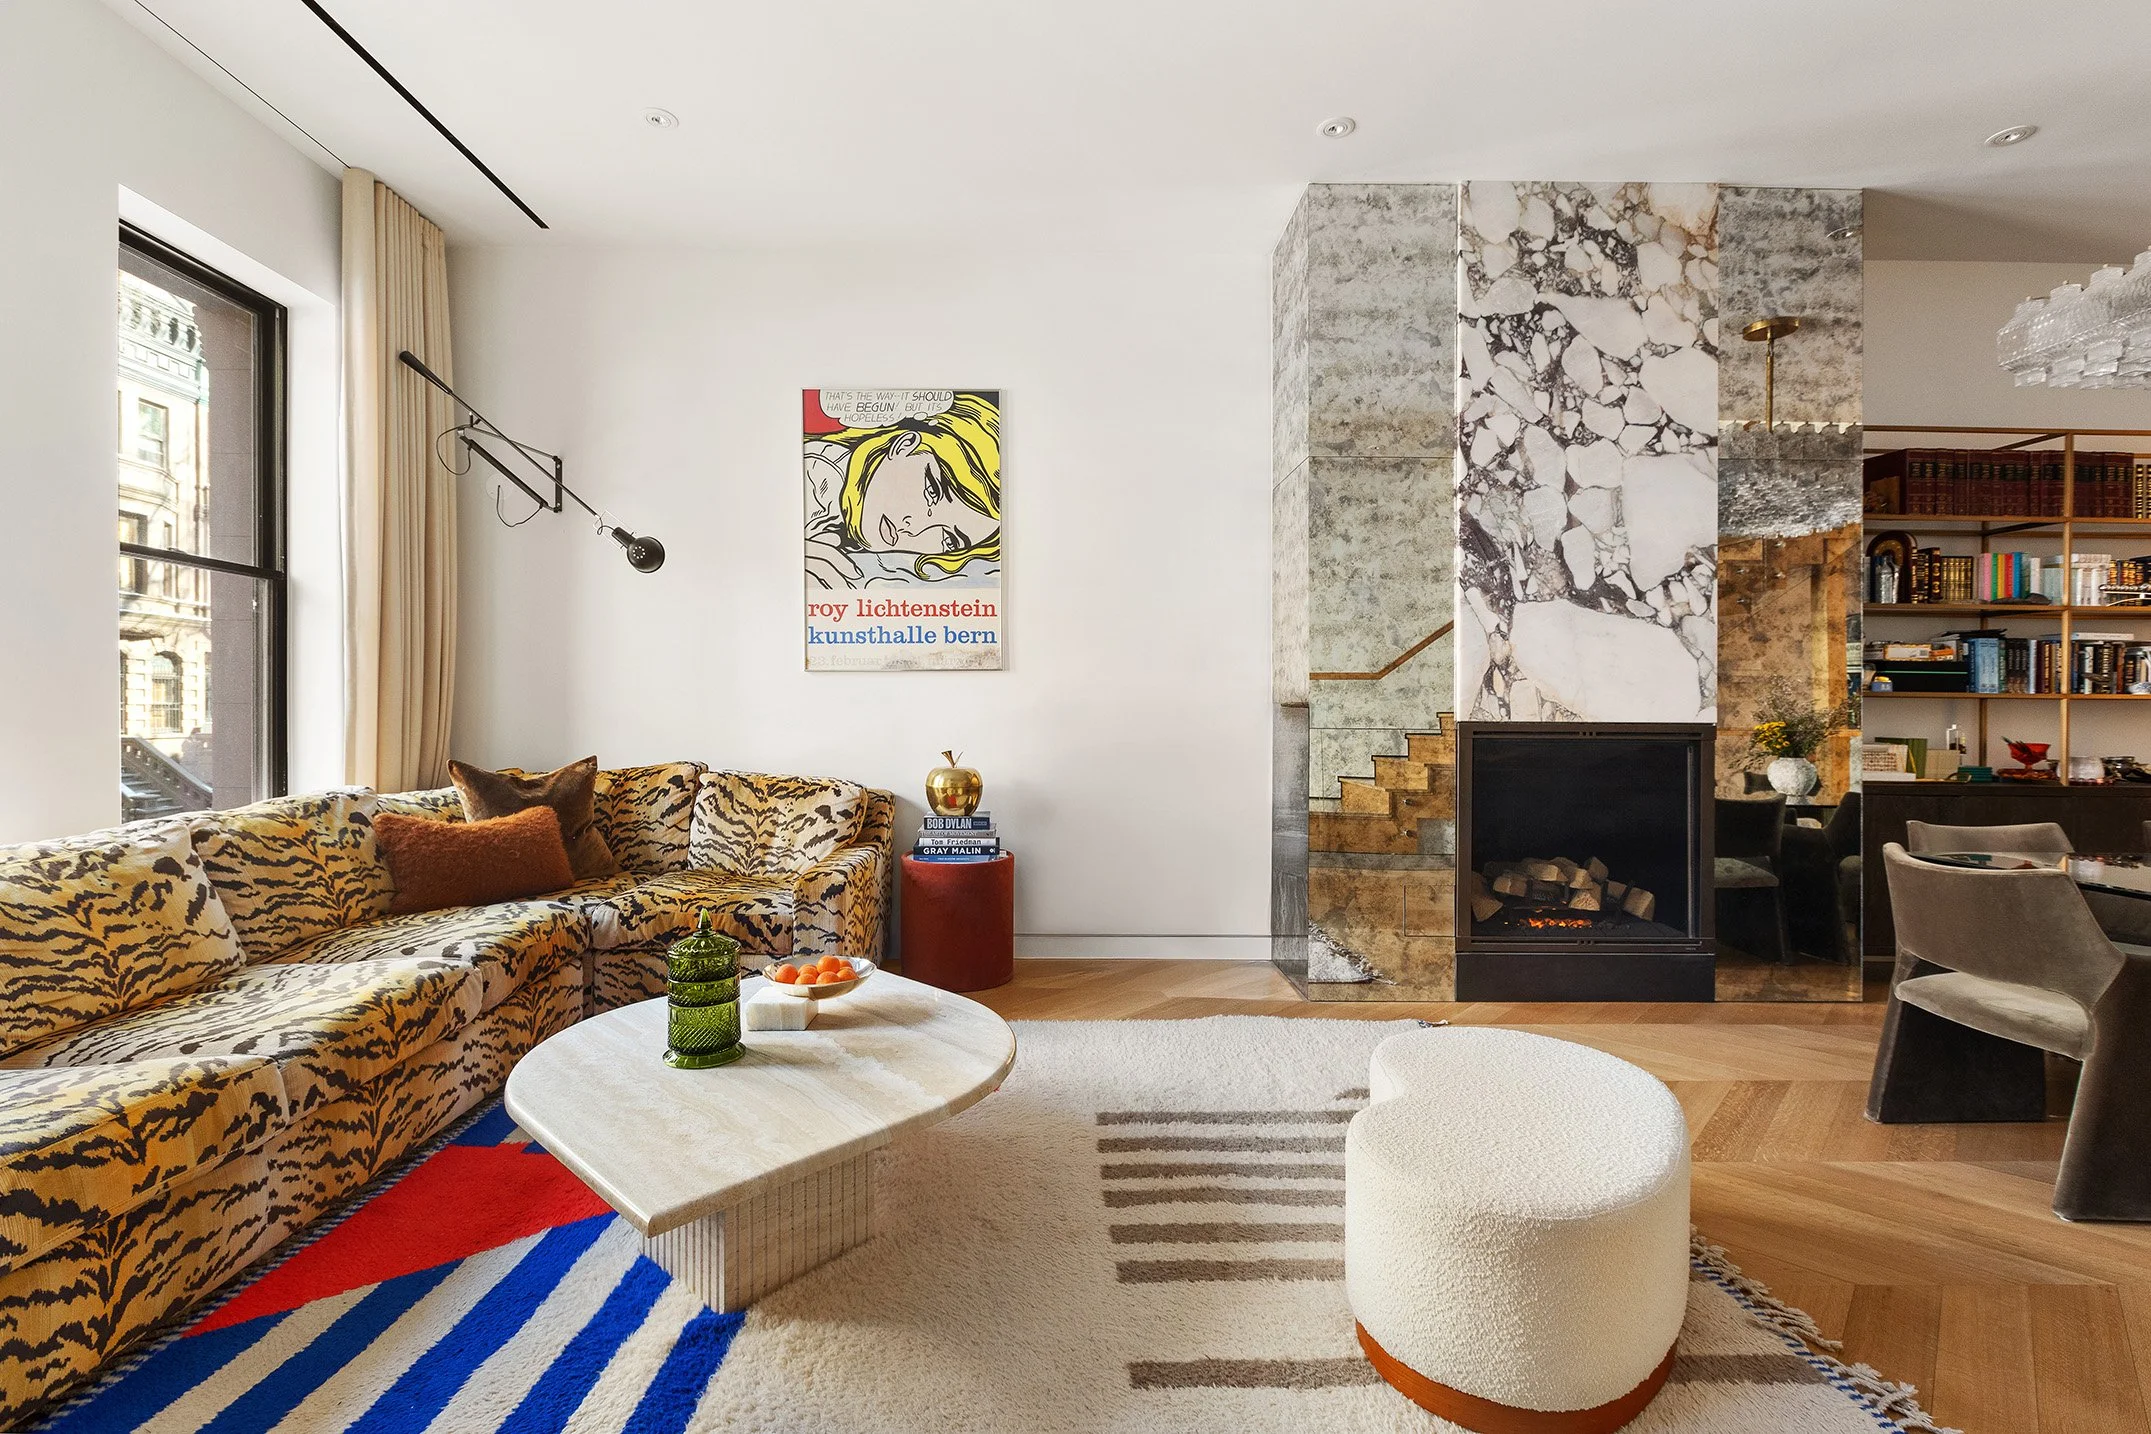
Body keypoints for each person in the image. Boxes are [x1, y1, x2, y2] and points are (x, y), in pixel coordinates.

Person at [804, 392, 999, 589]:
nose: (915, 529)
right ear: (903, 445)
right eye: (932, 491)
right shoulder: (815, 475)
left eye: (950, 540)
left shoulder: (849, 530)